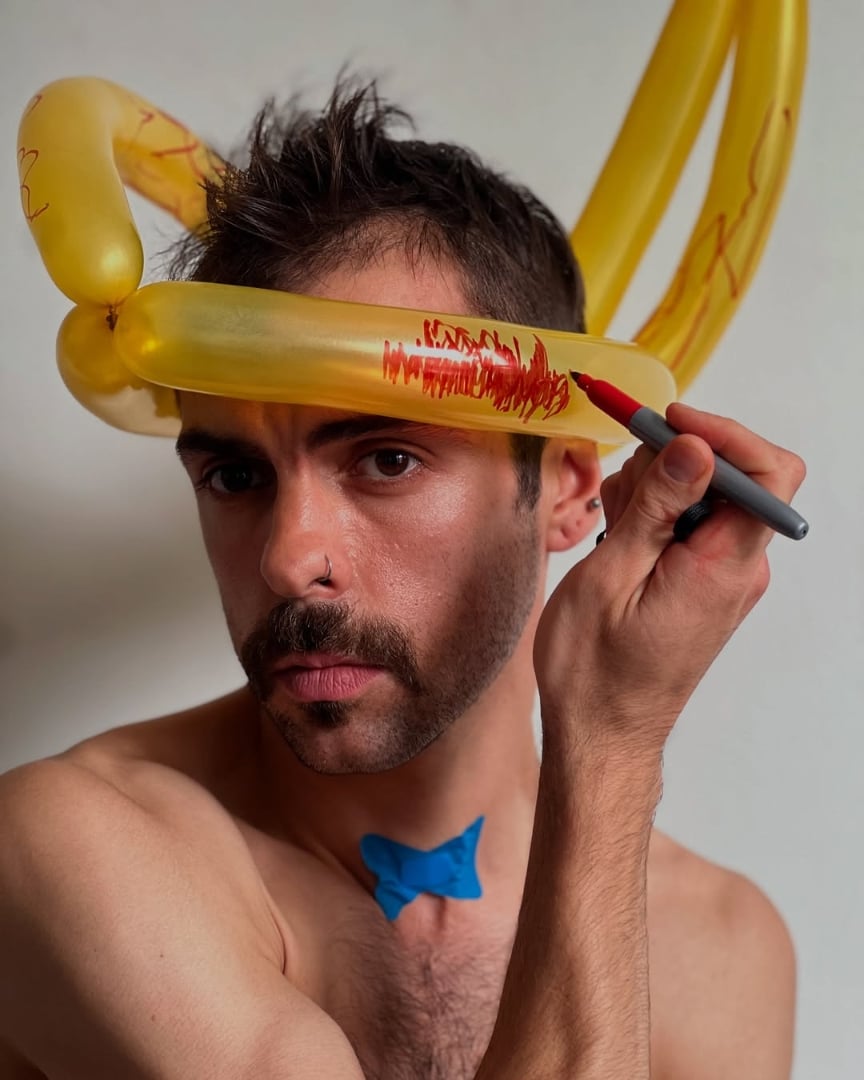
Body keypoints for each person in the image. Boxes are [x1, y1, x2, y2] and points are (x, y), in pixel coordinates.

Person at [0, 81, 803, 1080]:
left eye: (387, 460)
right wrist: (612, 740)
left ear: (566, 485)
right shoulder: (75, 845)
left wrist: (613, 736)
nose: (288, 558)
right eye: (235, 477)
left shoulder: (718, 950)